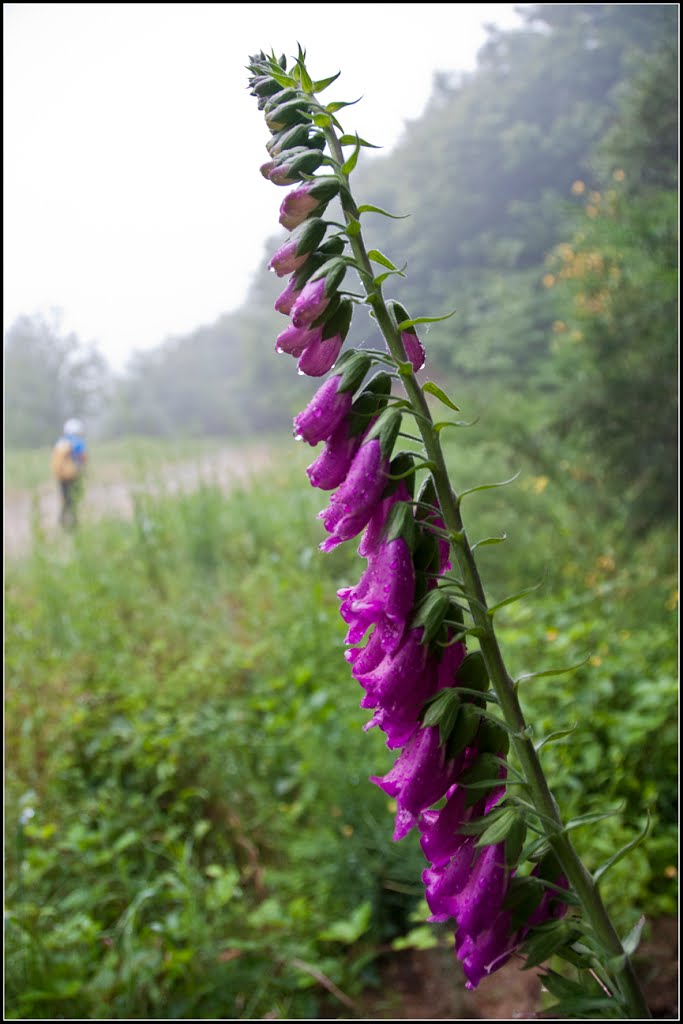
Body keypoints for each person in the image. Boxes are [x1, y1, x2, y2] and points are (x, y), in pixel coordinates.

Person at [51, 418, 87, 529]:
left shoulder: (60, 442)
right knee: (73, 499)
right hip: (72, 475)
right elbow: (83, 458)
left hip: (61, 476)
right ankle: (73, 524)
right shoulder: (77, 442)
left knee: (66, 499)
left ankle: (62, 521)